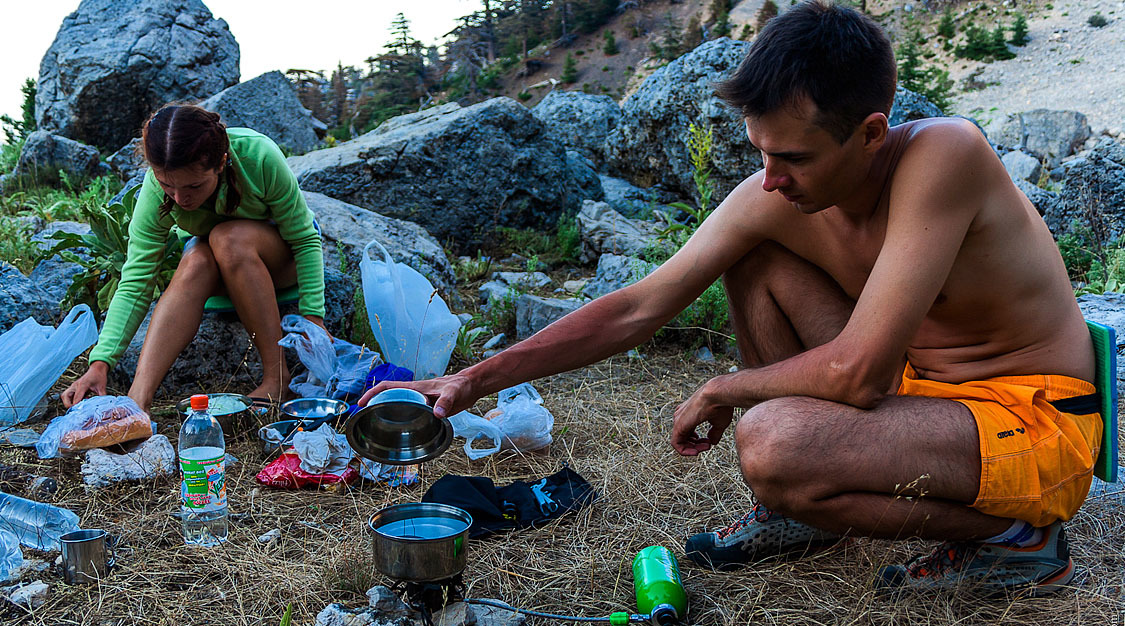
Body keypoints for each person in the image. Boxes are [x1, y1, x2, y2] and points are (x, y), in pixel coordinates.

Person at [361, 1, 1102, 594]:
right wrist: (474, 378)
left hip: (1030, 415)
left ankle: (1016, 539)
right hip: (926, 400)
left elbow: (858, 375)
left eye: (794, 157)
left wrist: (726, 388)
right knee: (754, 258)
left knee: (772, 439)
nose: (770, 178)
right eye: (760, 152)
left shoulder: (946, 154)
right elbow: (637, 306)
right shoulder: (779, 191)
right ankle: (803, 513)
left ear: (871, 133)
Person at [62, 104, 327, 414]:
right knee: (196, 257)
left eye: (193, 186)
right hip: (220, 266)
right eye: (167, 185)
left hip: (280, 260)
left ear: (220, 162)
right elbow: (137, 278)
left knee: (225, 238)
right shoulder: (157, 190)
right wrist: (101, 361)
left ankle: (276, 379)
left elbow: (305, 240)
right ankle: (136, 403)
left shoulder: (259, 156)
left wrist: (313, 318)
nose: (179, 199)